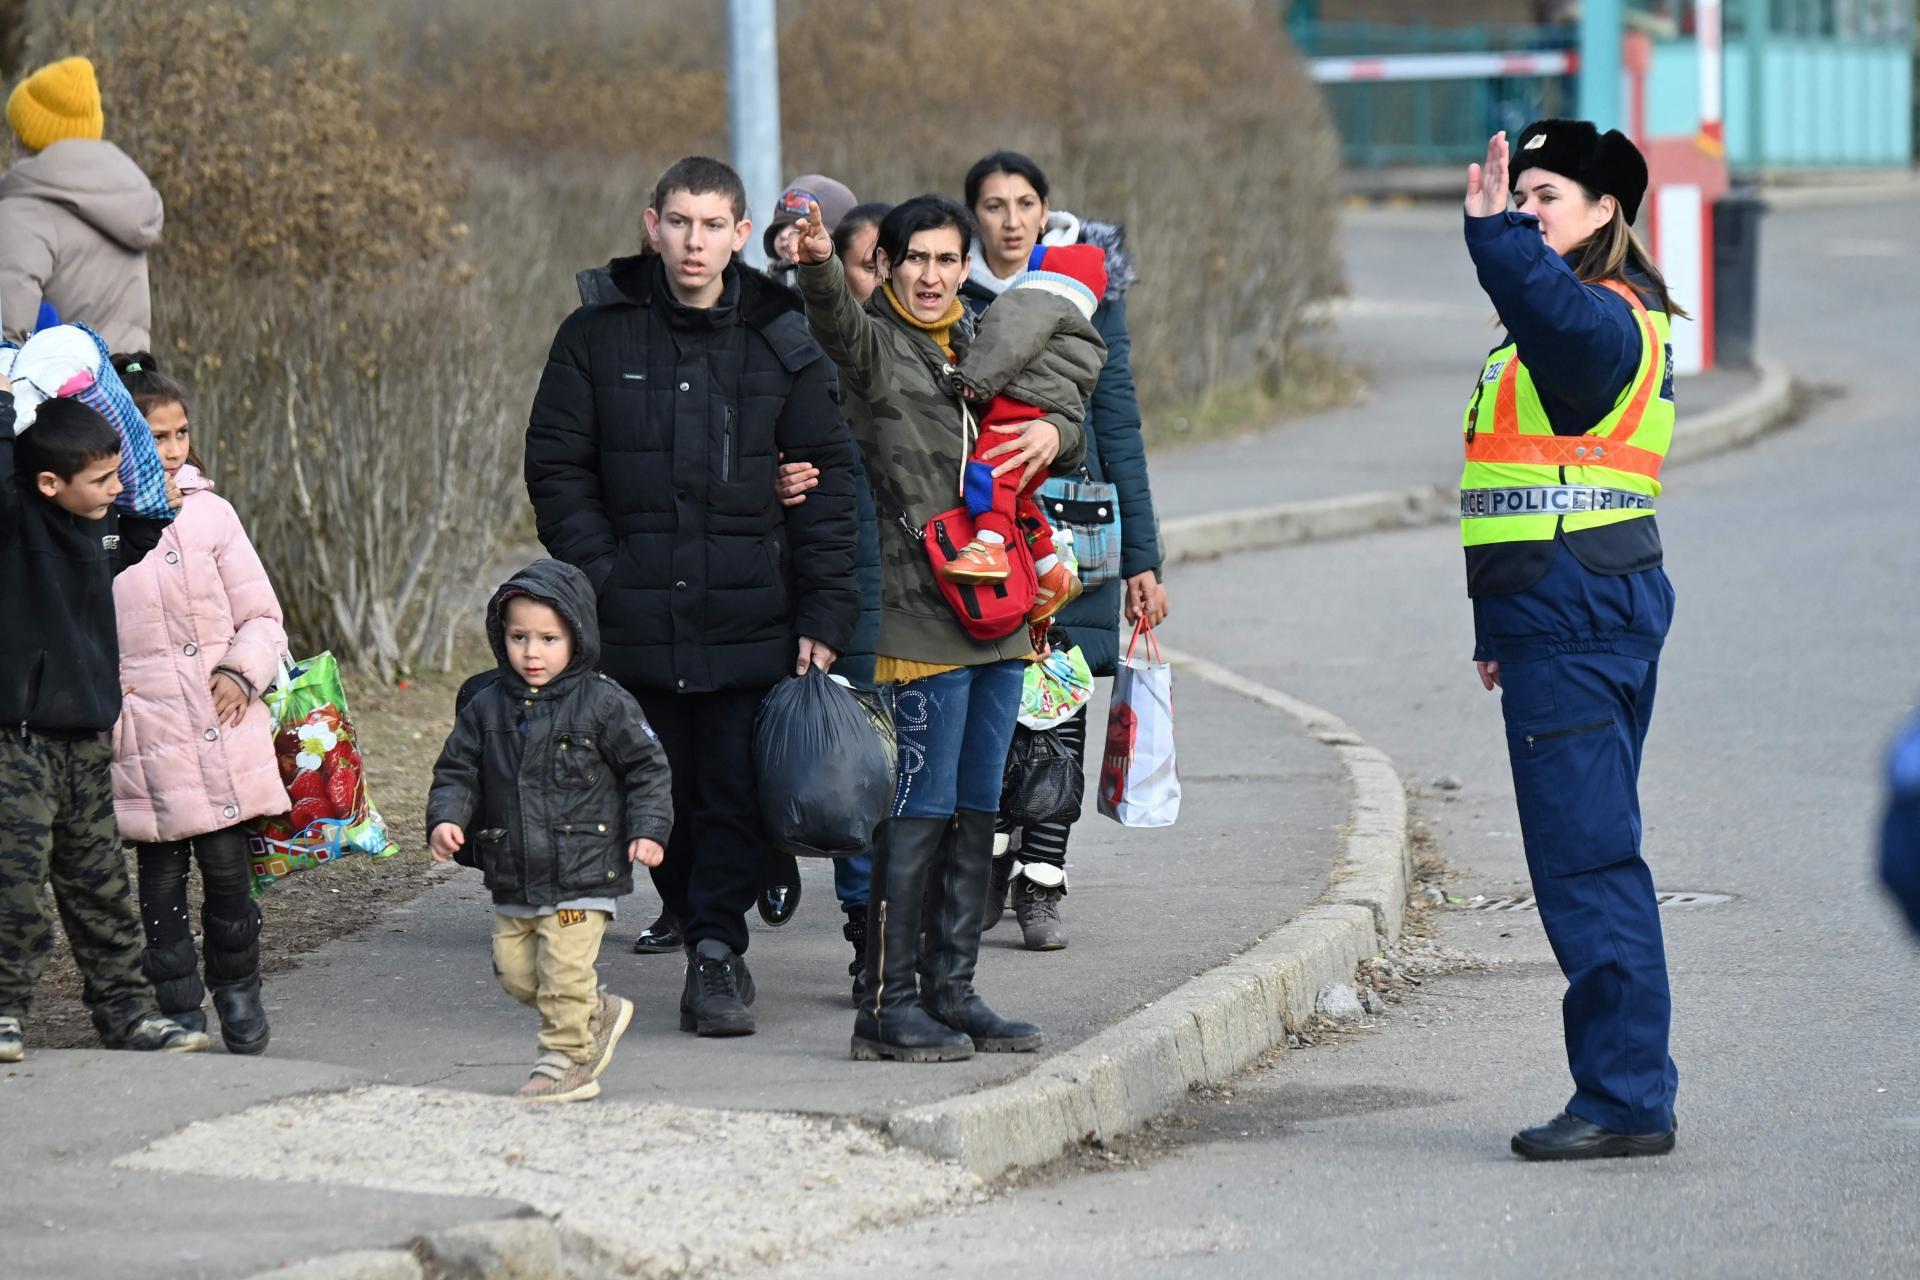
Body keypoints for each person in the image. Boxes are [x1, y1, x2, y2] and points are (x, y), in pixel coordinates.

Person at [526, 155, 859, 1038]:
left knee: (733, 792)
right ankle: (694, 915)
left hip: (754, 614)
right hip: (635, 617)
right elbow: (557, 469)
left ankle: (717, 952)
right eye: (679, 222)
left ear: (741, 235)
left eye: (713, 226)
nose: (694, 242)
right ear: (651, 225)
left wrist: (826, 613)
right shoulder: (594, 335)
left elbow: (829, 483)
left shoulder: (782, 334)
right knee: (653, 794)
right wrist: (603, 574)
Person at [791, 193, 1084, 1062]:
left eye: (947, 260)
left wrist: (1055, 434)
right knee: (915, 809)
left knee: (974, 805)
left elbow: (1066, 390)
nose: (930, 276)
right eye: (913, 259)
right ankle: (887, 1004)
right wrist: (815, 264)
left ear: (965, 266)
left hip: (999, 612)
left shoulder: (987, 337)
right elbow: (834, 321)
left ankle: (953, 991)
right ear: (885, 265)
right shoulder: (875, 346)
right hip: (918, 618)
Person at [1461, 121, 1683, 1161]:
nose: (1530, 212)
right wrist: (1498, 623)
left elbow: (1546, 309)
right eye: (1525, 196)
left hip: (1580, 620)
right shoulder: (1576, 324)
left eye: (1547, 197)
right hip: (1563, 613)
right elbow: (1526, 490)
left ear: (1604, 214)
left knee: (1588, 863)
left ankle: (1626, 1095)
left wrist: (1494, 237)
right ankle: (1623, 1086)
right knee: (1590, 855)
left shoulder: (1600, 322)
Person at [960, 150, 1169, 951]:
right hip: (984, 528)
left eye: (1023, 204)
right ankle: (985, 860)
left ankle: (1043, 878)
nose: (1010, 220)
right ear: (972, 215)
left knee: (1061, 694)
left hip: (1077, 525)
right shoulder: (954, 292)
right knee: (990, 697)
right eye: (992, 205)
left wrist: (1144, 558)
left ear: (1045, 211)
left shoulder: (1087, 291)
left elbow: (1119, 422)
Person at [0, 384, 206, 1061]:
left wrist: (112, 402)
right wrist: (3, 406)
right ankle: (3, 1012)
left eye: (119, 473)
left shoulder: (106, 529)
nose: (116, 487)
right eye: (100, 479)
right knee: (16, 887)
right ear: (49, 483)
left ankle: (128, 1015)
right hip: (17, 742)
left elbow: (144, 515)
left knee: (101, 889)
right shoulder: (14, 520)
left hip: (86, 737)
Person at [427, 559, 672, 1102]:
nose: (531, 653)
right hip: (516, 872)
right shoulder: (486, 704)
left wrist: (649, 828)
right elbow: (457, 771)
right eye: (519, 637)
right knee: (517, 973)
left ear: (577, 636)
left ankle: (565, 1061)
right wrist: (447, 818)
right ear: (501, 636)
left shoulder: (606, 703)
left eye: (547, 638)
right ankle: (595, 1010)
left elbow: (647, 768)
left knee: (562, 973)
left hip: (586, 869)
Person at [111, 355, 286, 1054]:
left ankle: (239, 990)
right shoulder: (99, 525)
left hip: (223, 723)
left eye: (180, 433)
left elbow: (262, 616)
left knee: (226, 874)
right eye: (156, 435)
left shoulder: (213, 515)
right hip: (144, 733)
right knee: (158, 882)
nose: (173, 448)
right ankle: (178, 1002)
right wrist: (112, 707)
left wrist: (243, 674)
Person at [771, 200, 892, 1001]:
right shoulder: (782, 350)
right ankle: (762, 854)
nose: (880, 279)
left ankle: (867, 933)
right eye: (865, 263)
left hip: (862, 578)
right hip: (775, 576)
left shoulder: (906, 353)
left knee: (850, 760)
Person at [942, 243, 1107, 631]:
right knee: (1018, 500)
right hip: (1045, 416)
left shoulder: (1035, 302)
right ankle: (1051, 570)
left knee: (989, 473)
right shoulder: (1081, 328)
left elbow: (1006, 342)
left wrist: (973, 380)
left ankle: (989, 548)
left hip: (1016, 403)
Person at [0, 56, 163, 352]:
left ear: (27, 136)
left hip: (55, 392)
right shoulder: (124, 198)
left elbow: (9, 337)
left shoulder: (23, 210)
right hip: (123, 389)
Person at [761, 174, 856, 288]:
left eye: (799, 229)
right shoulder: (767, 284)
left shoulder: (843, 293)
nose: (784, 234)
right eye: (780, 227)